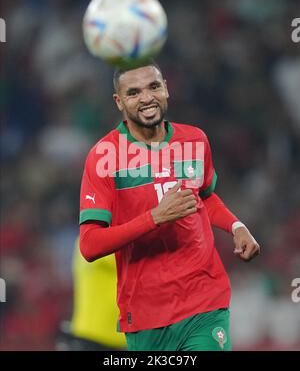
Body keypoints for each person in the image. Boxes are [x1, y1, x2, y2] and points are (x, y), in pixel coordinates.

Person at [79, 60, 260, 351]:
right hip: (145, 315)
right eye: (134, 92)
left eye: (153, 86)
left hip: (204, 301)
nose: (147, 98)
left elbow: (204, 196)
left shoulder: (195, 139)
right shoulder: (104, 156)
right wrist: (154, 218)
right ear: (119, 101)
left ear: (166, 88)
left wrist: (236, 226)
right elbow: (89, 245)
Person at [56, 238, 127, 351]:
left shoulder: (86, 238)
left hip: (92, 334)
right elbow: (134, 256)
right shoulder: (100, 239)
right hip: (102, 337)